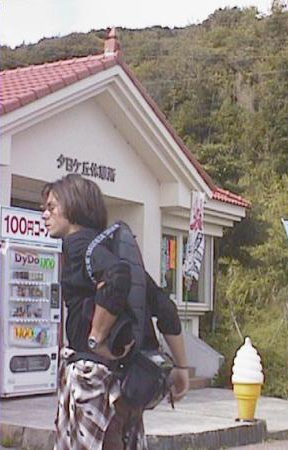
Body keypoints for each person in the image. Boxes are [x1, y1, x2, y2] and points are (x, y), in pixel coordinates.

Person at [42, 174, 190, 449]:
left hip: (93, 383)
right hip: (126, 383)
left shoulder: (77, 244)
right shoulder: (114, 248)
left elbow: (115, 277)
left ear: (73, 206)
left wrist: (95, 339)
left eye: (51, 207)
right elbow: (165, 307)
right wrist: (182, 367)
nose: (45, 215)